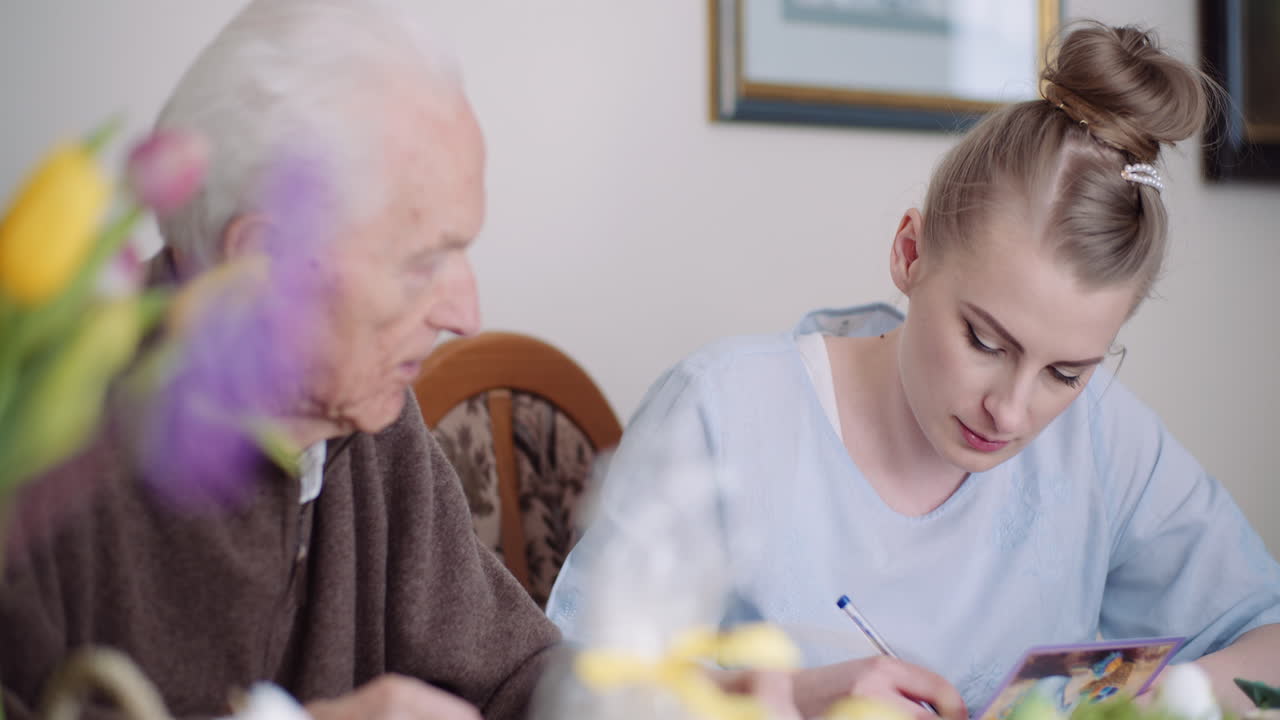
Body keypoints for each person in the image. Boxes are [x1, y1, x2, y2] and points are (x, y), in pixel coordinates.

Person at [547, 22, 1280, 720]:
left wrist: (1154, 700)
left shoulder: (1103, 441)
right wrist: (791, 699)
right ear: (909, 252)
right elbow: (568, 683)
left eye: (1066, 373)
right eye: (985, 342)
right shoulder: (722, 411)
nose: (1012, 412)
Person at [0, 2, 547, 719]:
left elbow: (516, 673)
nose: (464, 315)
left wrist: (637, 697)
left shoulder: (367, 418)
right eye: (422, 265)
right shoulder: (45, 438)